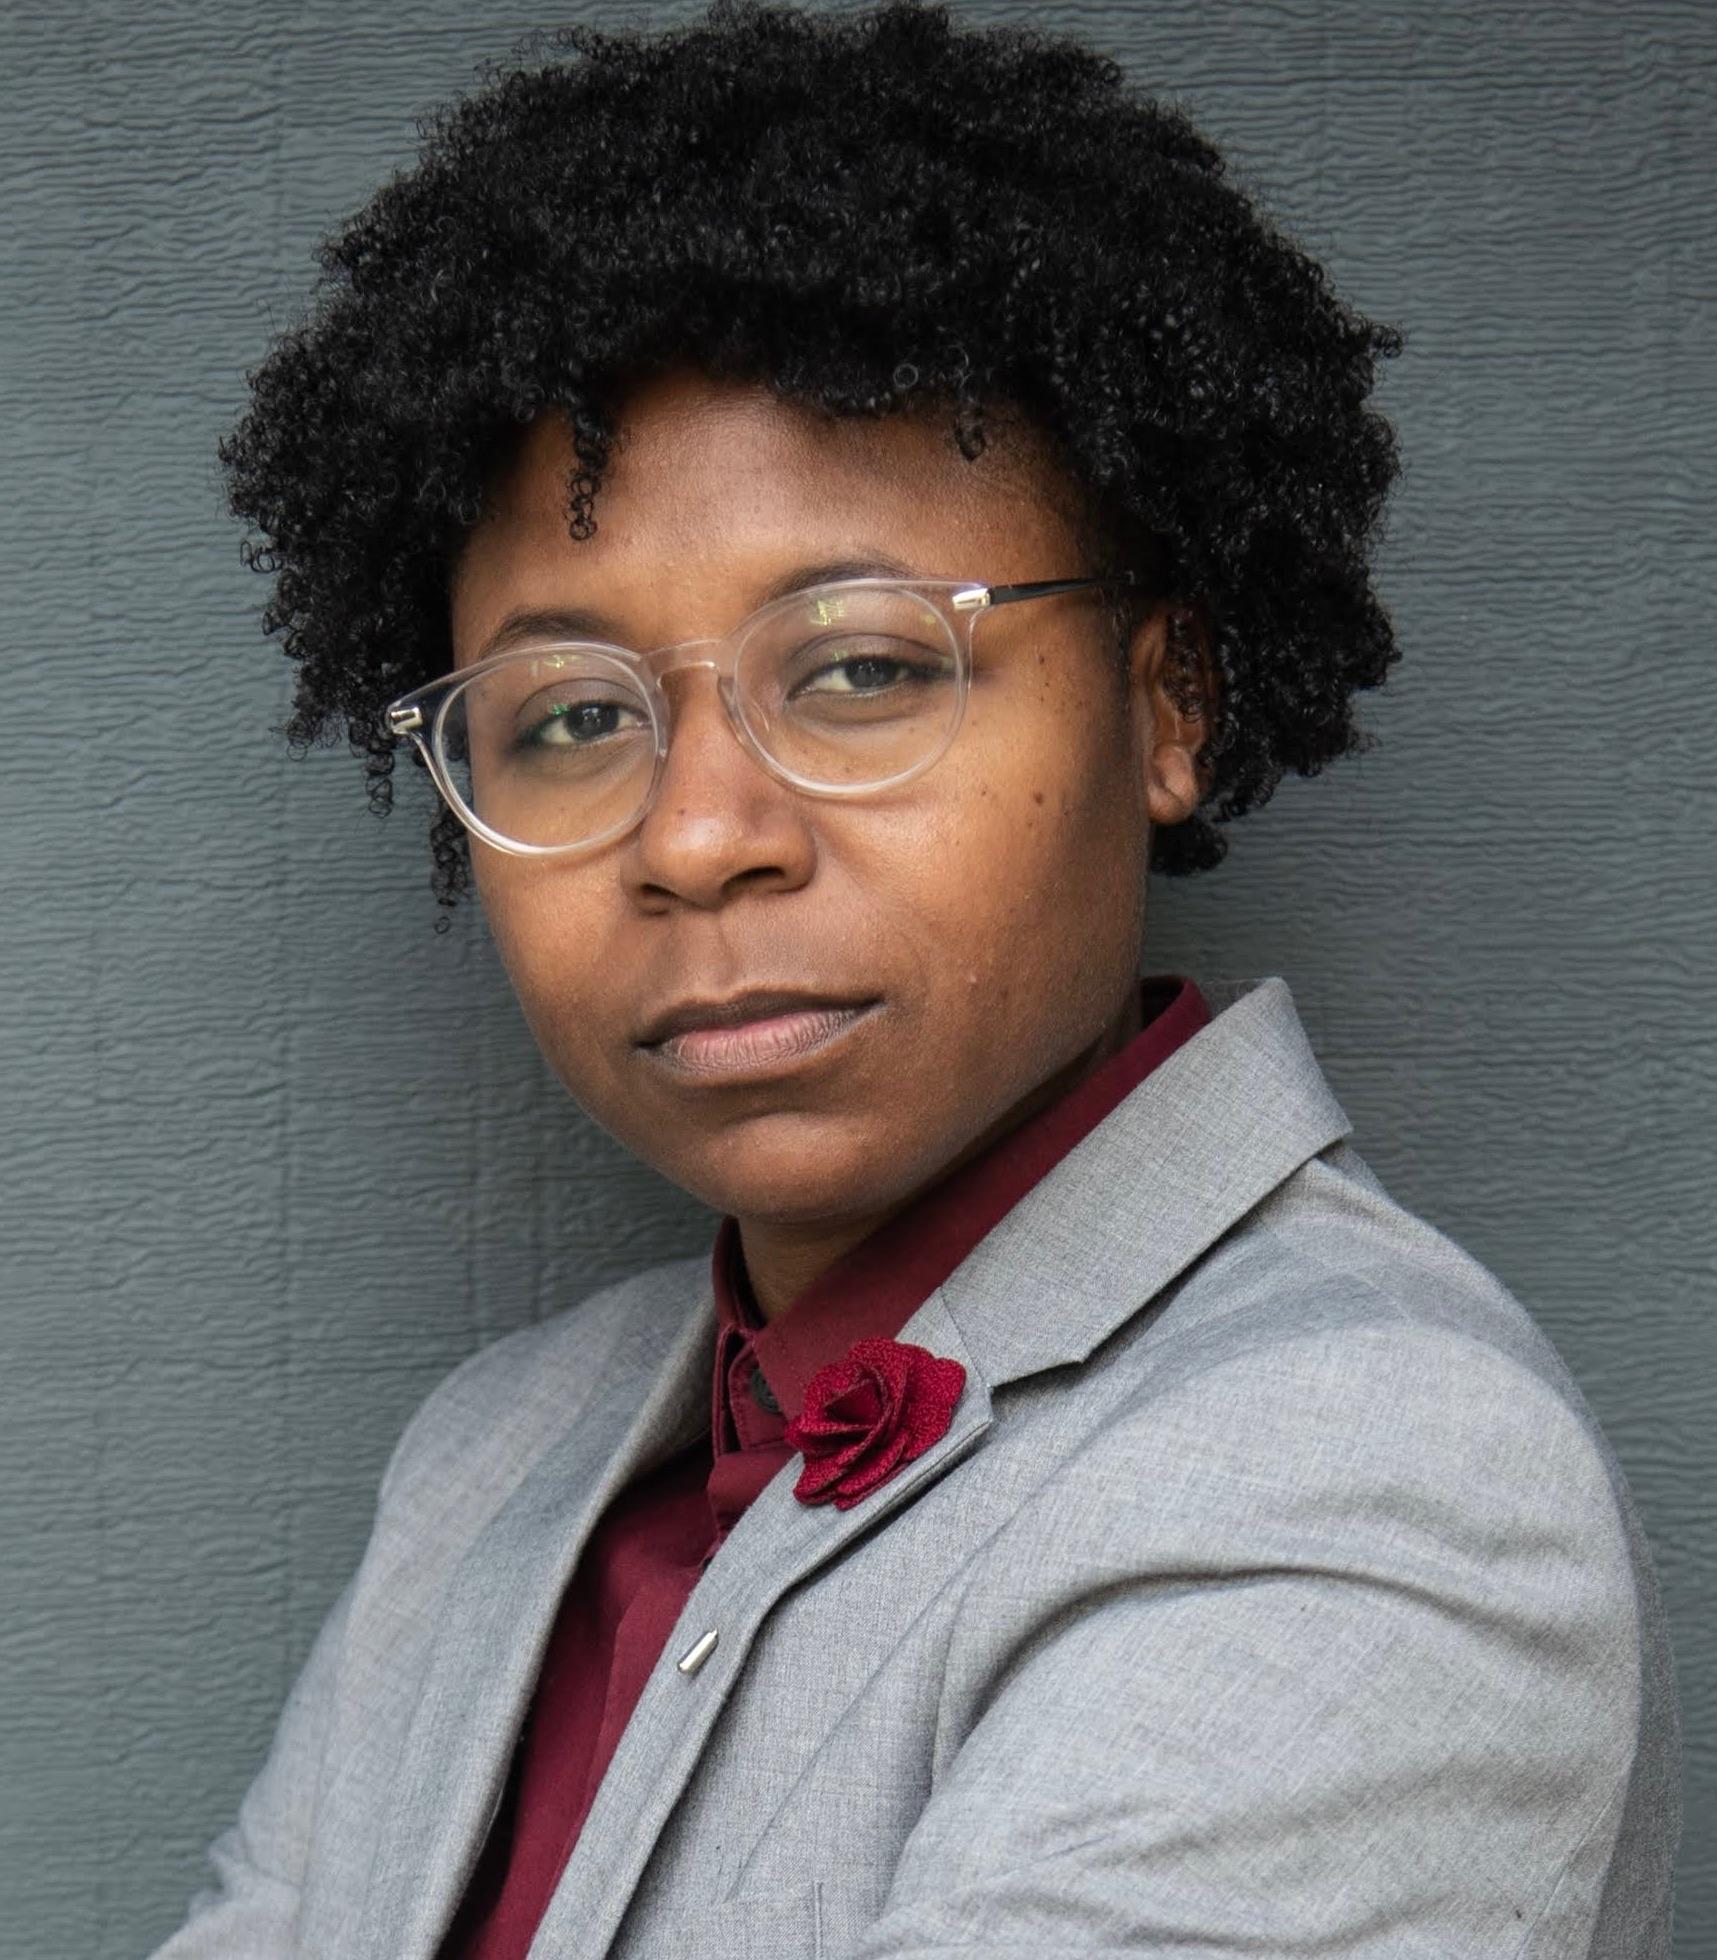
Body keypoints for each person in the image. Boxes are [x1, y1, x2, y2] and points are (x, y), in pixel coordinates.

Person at [150, 2, 1680, 1953]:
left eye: (863, 666)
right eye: (567, 715)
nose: (697, 834)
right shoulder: (495, 1460)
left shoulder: (1362, 1467)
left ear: (1171, 699)